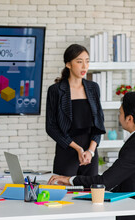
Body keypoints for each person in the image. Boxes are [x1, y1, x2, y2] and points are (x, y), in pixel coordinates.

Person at [48, 91, 135, 220]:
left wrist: (69, 179)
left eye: (120, 113)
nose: (119, 117)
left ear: (129, 118)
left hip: (129, 215)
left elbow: (105, 182)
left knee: (72, 211)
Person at [46, 44, 106, 177]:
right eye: (79, 62)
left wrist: (90, 151)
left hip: (90, 153)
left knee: (90, 194)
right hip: (67, 150)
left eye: (87, 61)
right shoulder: (56, 90)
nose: (84, 66)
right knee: (65, 194)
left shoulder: (93, 88)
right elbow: (51, 127)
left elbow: (99, 124)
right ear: (68, 64)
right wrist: (78, 148)